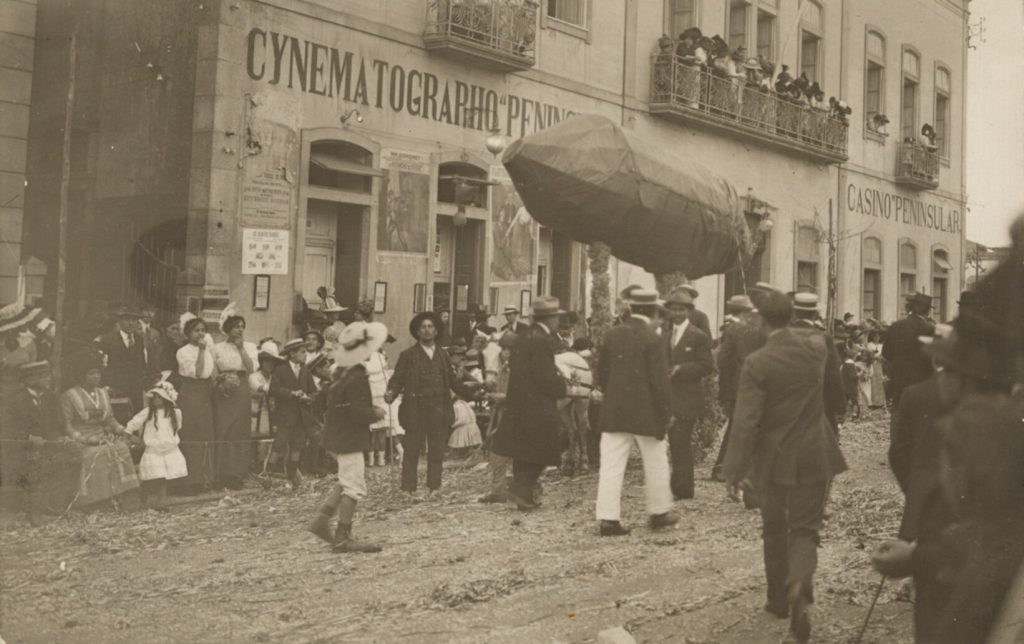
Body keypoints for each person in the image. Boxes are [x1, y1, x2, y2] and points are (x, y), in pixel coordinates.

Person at [723, 292, 847, 643]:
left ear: (762, 321)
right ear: (792, 317)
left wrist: (733, 471)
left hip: (772, 459)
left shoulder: (758, 362)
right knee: (805, 530)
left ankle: (778, 598)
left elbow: (745, 421)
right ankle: (800, 584)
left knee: (774, 527)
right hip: (815, 453)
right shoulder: (817, 348)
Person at [593, 289, 679, 536]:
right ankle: (660, 512)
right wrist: (666, 412)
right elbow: (659, 381)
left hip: (615, 410)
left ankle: (608, 519)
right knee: (656, 461)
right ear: (653, 311)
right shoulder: (653, 338)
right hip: (646, 412)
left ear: (630, 309)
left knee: (610, 465)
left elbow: (603, 374)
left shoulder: (612, 334)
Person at [308, 321, 387, 553]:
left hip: (337, 435)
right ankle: (343, 535)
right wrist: (376, 412)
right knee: (354, 485)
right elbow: (356, 411)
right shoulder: (357, 375)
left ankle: (321, 520)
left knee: (345, 479)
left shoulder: (342, 372)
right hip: (349, 437)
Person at [491, 296, 568, 511]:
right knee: (546, 446)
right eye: (556, 318)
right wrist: (562, 386)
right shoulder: (542, 339)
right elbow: (544, 376)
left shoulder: (524, 336)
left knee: (523, 450)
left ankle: (523, 493)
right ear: (551, 318)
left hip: (519, 402)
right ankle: (521, 490)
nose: (558, 323)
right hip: (538, 403)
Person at [384, 311, 473, 496]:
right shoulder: (408, 355)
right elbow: (397, 379)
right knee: (412, 450)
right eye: (423, 327)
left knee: (436, 450)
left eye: (430, 327)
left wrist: (473, 393)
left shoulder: (443, 355)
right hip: (416, 408)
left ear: (436, 331)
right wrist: (391, 392)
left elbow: (453, 381)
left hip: (439, 408)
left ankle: (434, 487)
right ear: (417, 332)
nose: (426, 330)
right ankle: (408, 488)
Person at [59, 350, 141, 507]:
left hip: (102, 436)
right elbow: (67, 425)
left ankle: (119, 494)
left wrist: (125, 432)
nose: (96, 377)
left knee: (121, 447)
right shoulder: (69, 396)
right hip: (80, 438)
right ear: (81, 375)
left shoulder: (103, 393)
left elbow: (110, 419)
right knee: (96, 453)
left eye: (98, 373)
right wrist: (85, 439)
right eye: (91, 373)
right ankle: (95, 499)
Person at [2, 361, 78, 524]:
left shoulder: (51, 397)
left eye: (48, 374)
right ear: (30, 379)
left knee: (69, 458)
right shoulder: (14, 400)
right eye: (44, 376)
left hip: (47, 446)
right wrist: (28, 437)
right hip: (20, 449)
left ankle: (54, 505)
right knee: (35, 463)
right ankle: (33, 511)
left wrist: (60, 437)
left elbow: (57, 424)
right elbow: (7, 429)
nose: (49, 379)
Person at [663, 289, 713, 500]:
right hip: (669, 396)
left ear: (689, 311)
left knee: (681, 440)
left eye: (681, 309)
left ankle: (683, 488)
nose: (677, 313)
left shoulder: (698, 336)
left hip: (688, 396)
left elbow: (706, 366)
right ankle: (679, 486)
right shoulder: (665, 335)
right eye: (673, 309)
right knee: (675, 441)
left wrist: (680, 369)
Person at [712, 294, 764, 482]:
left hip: (736, 386)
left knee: (736, 426)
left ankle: (723, 468)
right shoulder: (759, 328)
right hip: (755, 385)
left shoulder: (733, 329)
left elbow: (723, 360)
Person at [211, 312, 258, 490]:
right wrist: (220, 383)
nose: (240, 330)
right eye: (236, 326)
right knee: (223, 429)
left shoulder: (250, 346)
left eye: (242, 327)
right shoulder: (217, 348)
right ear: (228, 329)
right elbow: (213, 371)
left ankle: (237, 474)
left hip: (241, 389)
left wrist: (241, 348)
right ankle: (221, 473)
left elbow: (251, 368)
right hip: (223, 389)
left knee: (239, 430)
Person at [125, 381, 187, 512]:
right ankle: (144, 492)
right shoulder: (148, 412)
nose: (156, 400)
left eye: (159, 397)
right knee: (155, 476)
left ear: (166, 399)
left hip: (169, 449)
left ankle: (161, 503)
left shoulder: (175, 413)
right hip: (153, 450)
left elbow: (178, 427)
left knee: (163, 478)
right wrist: (129, 435)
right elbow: (134, 423)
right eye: (154, 397)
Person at [790, 293, 846, 433]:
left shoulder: (783, 335)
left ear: (795, 313)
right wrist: (839, 407)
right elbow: (833, 374)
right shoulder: (823, 336)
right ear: (815, 314)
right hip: (819, 402)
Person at [175, 315, 216, 492]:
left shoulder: (206, 350)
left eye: (202, 330)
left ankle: (203, 478)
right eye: (196, 330)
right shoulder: (183, 351)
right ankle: (188, 481)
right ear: (188, 333)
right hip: (190, 392)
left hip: (205, 392)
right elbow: (197, 373)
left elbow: (208, 374)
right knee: (191, 433)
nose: (200, 333)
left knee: (205, 433)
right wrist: (200, 351)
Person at [270, 338, 317, 488]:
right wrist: (291, 393)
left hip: (301, 415)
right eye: (302, 352)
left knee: (298, 444)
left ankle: (292, 474)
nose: (305, 355)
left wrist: (309, 398)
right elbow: (274, 390)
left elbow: (313, 391)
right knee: (280, 444)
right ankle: (268, 475)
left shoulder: (305, 371)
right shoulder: (281, 370)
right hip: (285, 415)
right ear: (292, 354)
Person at [478, 332, 517, 503]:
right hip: (502, 415)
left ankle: (522, 490)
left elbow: (524, 395)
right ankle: (497, 490)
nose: (506, 353)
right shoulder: (503, 368)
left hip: (518, 417)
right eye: (504, 349)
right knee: (496, 452)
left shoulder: (522, 370)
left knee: (519, 455)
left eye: (510, 349)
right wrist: (491, 395)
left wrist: (503, 397)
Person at [97, 306, 150, 421]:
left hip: (135, 387)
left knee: (136, 418)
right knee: (119, 418)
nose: (131, 323)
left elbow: (141, 362)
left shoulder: (139, 339)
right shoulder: (108, 340)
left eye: (135, 320)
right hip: (116, 386)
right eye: (127, 319)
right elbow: (103, 365)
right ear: (119, 321)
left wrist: (142, 381)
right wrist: (107, 384)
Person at [882, 293, 935, 405]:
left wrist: (899, 363)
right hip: (921, 380)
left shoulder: (895, 326)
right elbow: (933, 357)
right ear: (927, 311)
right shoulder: (930, 329)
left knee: (898, 413)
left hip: (898, 379)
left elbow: (886, 353)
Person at [555, 338, 594, 476]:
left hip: (578, 382)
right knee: (569, 425)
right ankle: (571, 456)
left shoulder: (577, 361)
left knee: (581, 418)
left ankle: (584, 455)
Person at [364, 345, 392, 467]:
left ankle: (374, 459)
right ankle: (378, 459)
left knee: (374, 433)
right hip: (378, 398)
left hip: (374, 399)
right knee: (379, 432)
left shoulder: (374, 358)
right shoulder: (379, 359)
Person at [866, 331, 886, 408]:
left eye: (878, 336)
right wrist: (874, 357)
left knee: (879, 381)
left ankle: (880, 401)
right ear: (872, 337)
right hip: (872, 364)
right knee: (873, 381)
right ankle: (873, 401)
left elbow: (883, 354)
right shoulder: (869, 345)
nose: (877, 338)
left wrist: (881, 358)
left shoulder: (881, 345)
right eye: (875, 336)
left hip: (879, 364)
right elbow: (868, 354)